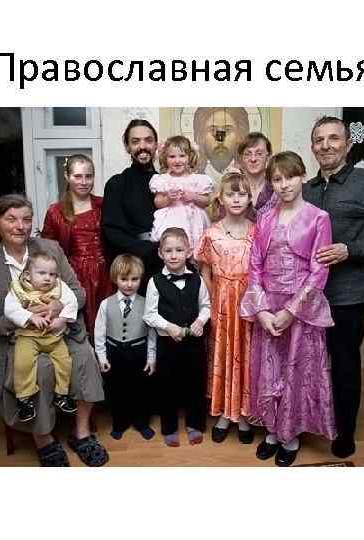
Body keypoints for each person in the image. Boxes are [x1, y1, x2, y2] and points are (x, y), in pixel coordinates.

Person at [0, 194, 109, 467]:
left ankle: (81, 433)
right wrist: (21, 319)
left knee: (84, 357)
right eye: (11, 219)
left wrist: (60, 307)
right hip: (17, 339)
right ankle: (43, 438)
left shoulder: (50, 249)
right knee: (41, 368)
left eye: (26, 219)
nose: (20, 226)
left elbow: (78, 292)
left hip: (59, 332)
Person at [302, 116, 364, 459]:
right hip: (306, 299)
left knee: (344, 366)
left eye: (333, 138)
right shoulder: (306, 189)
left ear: (348, 144)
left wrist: (349, 249)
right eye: (319, 140)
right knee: (307, 365)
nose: (326, 145)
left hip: (346, 296)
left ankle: (345, 432)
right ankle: (307, 423)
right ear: (312, 147)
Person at [240, 151, 336, 467]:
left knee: (295, 373)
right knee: (270, 371)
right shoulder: (265, 218)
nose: (284, 185)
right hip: (269, 307)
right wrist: (262, 310)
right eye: (277, 179)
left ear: (302, 176)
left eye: (290, 177)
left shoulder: (318, 218)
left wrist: (291, 311)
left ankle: (290, 434)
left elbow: (319, 271)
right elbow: (255, 266)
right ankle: (272, 429)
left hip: (301, 309)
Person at [195, 172, 255, 444]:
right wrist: (212, 304)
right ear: (221, 199)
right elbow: (205, 273)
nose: (236, 199)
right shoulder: (211, 234)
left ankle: (243, 415)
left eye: (242, 194)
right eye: (231, 194)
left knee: (246, 355)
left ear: (250, 198)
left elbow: (262, 272)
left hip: (249, 303)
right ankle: (222, 414)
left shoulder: (258, 232)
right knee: (223, 355)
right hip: (221, 302)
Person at [143, 227, 211, 447]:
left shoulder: (197, 280)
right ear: (160, 253)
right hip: (167, 344)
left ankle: (195, 424)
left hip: (194, 344)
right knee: (167, 386)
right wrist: (168, 327)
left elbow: (206, 306)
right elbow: (149, 314)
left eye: (179, 250)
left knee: (195, 383)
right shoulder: (154, 281)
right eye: (168, 251)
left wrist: (200, 321)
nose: (174, 255)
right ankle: (170, 427)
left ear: (188, 252)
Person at [41, 154, 113, 337]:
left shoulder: (104, 205)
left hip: (105, 274)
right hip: (74, 275)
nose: (84, 182)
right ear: (67, 176)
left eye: (89, 176)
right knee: (80, 329)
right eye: (78, 176)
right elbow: (47, 250)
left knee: (108, 326)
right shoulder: (56, 211)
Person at [4, 252, 79, 423]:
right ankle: (24, 399)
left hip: (54, 337)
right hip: (28, 337)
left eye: (52, 274)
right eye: (42, 273)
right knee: (23, 363)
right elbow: (10, 309)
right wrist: (30, 317)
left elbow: (72, 302)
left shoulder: (60, 287)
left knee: (65, 362)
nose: (48, 278)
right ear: (28, 275)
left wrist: (62, 319)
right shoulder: (19, 289)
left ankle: (61, 395)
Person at [94, 254, 157, 441]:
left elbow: (152, 333)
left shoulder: (147, 304)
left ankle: (142, 422)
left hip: (139, 352)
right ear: (115, 279)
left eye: (134, 279)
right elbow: (99, 332)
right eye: (124, 279)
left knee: (141, 389)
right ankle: (119, 423)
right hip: (115, 352)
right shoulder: (106, 304)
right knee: (117, 389)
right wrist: (102, 357)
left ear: (141, 279)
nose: (129, 284)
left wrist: (151, 358)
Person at [102, 119, 161, 294]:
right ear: (127, 147)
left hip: (167, 267)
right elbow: (112, 233)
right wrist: (151, 250)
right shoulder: (117, 184)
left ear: (156, 145)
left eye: (148, 140)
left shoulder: (167, 183)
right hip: (134, 274)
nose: (142, 146)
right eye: (135, 141)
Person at [149, 135, 213, 253]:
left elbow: (207, 201)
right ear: (165, 158)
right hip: (172, 222)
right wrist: (168, 198)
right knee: (174, 248)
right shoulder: (163, 180)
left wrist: (194, 196)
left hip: (194, 221)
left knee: (197, 249)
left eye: (182, 156)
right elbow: (157, 202)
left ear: (189, 157)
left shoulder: (198, 179)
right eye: (172, 156)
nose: (177, 160)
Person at [236, 132, 276, 219]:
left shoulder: (277, 187)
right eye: (248, 154)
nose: (253, 159)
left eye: (259, 154)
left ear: (268, 157)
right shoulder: (233, 186)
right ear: (241, 159)